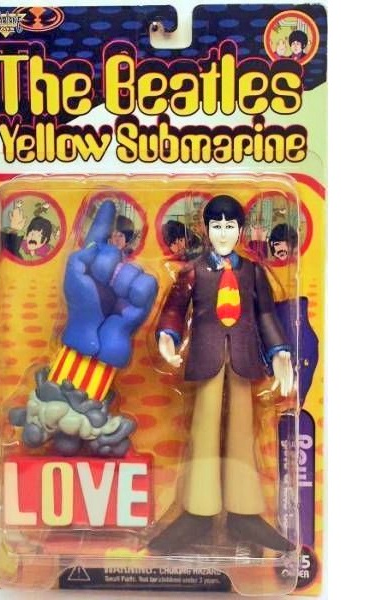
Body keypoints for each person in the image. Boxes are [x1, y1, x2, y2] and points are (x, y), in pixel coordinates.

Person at [150, 194, 295, 554]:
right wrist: (168, 335)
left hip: (244, 356)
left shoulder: (253, 272)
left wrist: (279, 351)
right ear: (207, 229)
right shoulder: (194, 270)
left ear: (241, 230)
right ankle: (198, 512)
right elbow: (175, 307)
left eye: (230, 226)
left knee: (242, 429)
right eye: (218, 226)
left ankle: (244, 512)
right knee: (204, 427)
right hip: (206, 354)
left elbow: (265, 315)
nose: (224, 233)